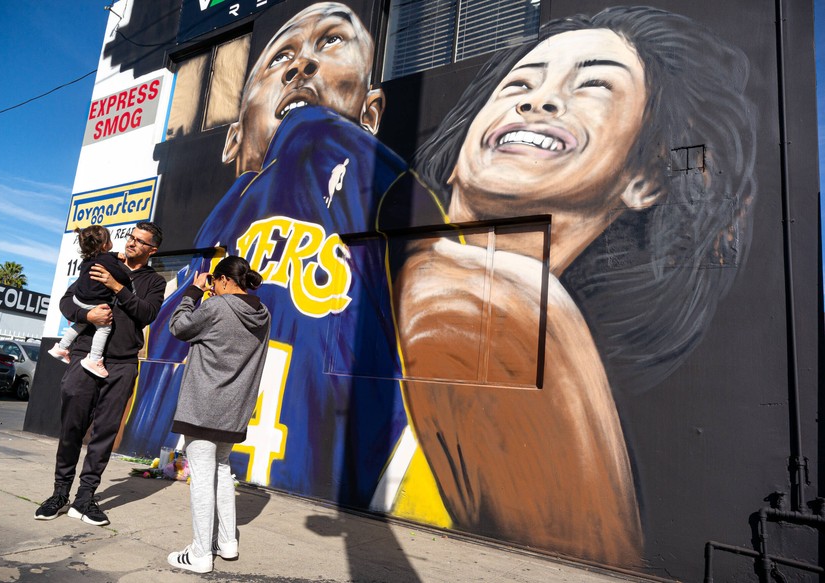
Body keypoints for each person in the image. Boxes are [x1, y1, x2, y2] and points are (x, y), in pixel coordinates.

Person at [396, 6, 757, 565]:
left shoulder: (512, 308)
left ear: (644, 179)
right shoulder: (486, 297)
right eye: (519, 82)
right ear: (457, 155)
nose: (538, 99)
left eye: (593, 85)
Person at [121, 3, 411, 509]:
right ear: (235, 137)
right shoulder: (215, 235)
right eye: (281, 57)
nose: (301, 66)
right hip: (226, 430)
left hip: (307, 452)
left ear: (369, 116)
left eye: (331, 41)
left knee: (210, 490)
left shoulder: (378, 205)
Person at [34, 222, 166, 526]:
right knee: (71, 429)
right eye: (131, 237)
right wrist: (87, 315)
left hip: (122, 364)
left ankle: (85, 498)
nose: (131, 243)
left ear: (152, 250)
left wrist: (117, 286)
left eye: (140, 241)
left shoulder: (154, 281)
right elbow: (68, 301)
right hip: (83, 357)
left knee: (104, 433)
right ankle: (59, 493)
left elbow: (146, 314)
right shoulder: (100, 261)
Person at [165, 256, 271, 574]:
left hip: (202, 405)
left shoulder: (215, 307)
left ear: (223, 280)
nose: (212, 287)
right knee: (222, 470)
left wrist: (195, 292)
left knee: (201, 478)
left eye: (214, 282)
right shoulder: (263, 314)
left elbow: (178, 327)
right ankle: (226, 543)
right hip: (234, 409)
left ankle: (199, 554)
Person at [47, 225, 132, 378]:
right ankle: (94, 359)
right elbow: (121, 276)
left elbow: (103, 257)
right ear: (105, 244)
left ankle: (61, 347)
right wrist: (127, 275)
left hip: (79, 299)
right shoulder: (107, 260)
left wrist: (114, 255)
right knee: (104, 328)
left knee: (81, 323)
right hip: (93, 302)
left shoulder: (88, 258)